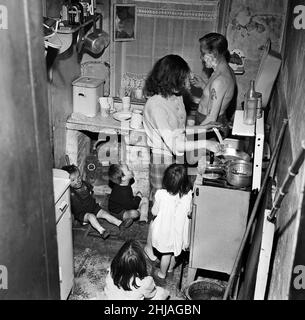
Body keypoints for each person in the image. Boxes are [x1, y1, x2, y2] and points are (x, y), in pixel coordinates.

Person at [142, 54, 221, 261]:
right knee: (159, 208)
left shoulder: (176, 97)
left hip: (175, 159)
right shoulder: (156, 106)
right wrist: (207, 143)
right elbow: (175, 144)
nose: (188, 82)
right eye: (184, 78)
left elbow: (180, 129)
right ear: (172, 79)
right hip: (162, 161)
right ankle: (150, 247)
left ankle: (168, 241)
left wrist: (203, 127)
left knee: (175, 204)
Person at [62, 165, 133, 240]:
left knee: (105, 214)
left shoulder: (84, 184)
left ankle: (120, 223)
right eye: (73, 180)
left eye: (79, 177)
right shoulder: (69, 192)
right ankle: (102, 231)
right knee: (91, 216)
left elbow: (91, 191)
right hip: (82, 213)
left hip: (93, 207)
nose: (78, 180)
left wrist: (93, 197)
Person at [150, 164, 192, 285]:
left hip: (165, 231)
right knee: (175, 252)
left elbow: (154, 211)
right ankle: (171, 269)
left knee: (166, 254)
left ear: (166, 180)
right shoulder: (188, 195)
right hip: (179, 230)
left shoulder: (161, 194)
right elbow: (189, 211)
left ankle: (162, 274)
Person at [190, 33, 236, 138]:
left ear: (214, 53)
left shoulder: (219, 80)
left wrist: (191, 137)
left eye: (203, 53)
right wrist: (203, 85)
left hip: (209, 128)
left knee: (195, 154)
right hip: (207, 122)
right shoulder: (224, 70)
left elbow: (211, 119)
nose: (201, 57)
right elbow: (219, 95)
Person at [103, 239, 170, 300]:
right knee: (162, 292)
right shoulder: (145, 282)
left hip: (110, 298)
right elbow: (150, 295)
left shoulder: (111, 271)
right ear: (141, 262)